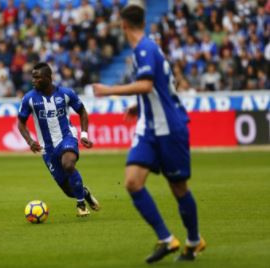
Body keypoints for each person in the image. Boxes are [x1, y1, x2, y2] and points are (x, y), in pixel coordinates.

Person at [93, 5, 205, 263]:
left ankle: (194, 240)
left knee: (178, 187)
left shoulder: (145, 49)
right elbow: (162, 86)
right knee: (132, 182)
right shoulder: (147, 49)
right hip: (149, 129)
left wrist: (109, 90)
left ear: (123, 25)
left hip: (170, 129)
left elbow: (146, 84)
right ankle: (167, 239)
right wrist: (139, 105)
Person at [17, 62, 100, 217]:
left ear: (48, 78)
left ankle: (81, 204)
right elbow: (21, 122)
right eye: (32, 77)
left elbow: (82, 112)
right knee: (69, 191)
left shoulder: (66, 93)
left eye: (37, 77)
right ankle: (85, 193)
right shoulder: (29, 99)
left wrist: (83, 135)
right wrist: (29, 141)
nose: (33, 80)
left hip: (67, 137)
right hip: (47, 148)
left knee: (68, 164)